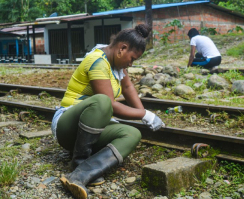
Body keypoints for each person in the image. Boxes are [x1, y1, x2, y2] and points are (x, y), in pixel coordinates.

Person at [51, 24, 165, 199]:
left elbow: (128, 87)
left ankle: (81, 174)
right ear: (122, 48)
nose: (131, 63)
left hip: (90, 130)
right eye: (132, 58)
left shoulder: (117, 65)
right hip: (67, 126)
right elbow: (110, 104)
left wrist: (143, 114)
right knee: (103, 101)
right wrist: (145, 115)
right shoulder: (97, 61)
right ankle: (78, 161)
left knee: (132, 134)